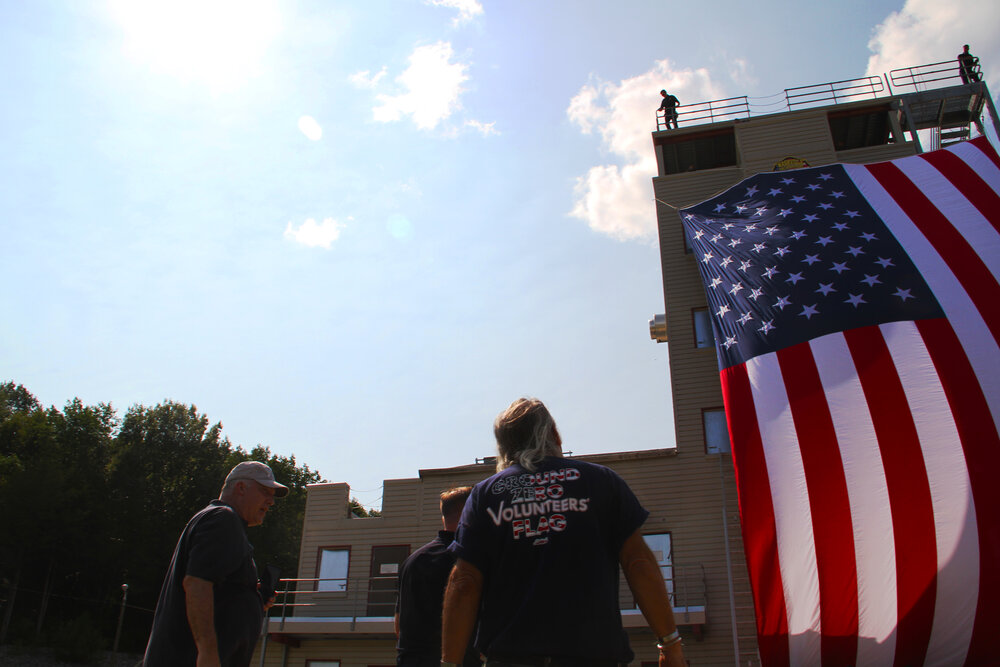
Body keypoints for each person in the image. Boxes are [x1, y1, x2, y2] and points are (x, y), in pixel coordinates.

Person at [441, 398, 686, 667]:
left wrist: (450, 664)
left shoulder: (485, 495)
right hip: (593, 656)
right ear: (554, 435)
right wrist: (670, 644)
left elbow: (464, 582)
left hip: (511, 657)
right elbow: (638, 564)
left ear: (503, 448)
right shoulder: (602, 482)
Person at [143, 461, 289, 667]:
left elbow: (213, 588)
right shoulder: (223, 519)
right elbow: (197, 584)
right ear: (241, 488)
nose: (271, 501)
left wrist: (252, 599)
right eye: (265, 491)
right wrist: (207, 654)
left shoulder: (222, 521)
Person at [394, 486, 479, 667]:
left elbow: (399, 623)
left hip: (410, 660)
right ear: (471, 513)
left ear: (443, 517)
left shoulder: (412, 561)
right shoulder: (468, 559)